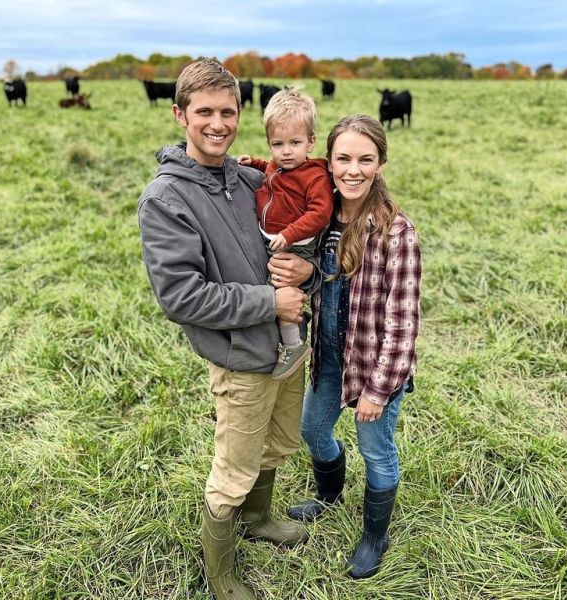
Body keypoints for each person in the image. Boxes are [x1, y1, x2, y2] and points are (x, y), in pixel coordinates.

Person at [137, 59, 321, 600]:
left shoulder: (250, 178)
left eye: (228, 111)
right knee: (233, 467)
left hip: (287, 348)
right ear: (179, 115)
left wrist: (307, 270)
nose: (218, 123)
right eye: (205, 112)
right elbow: (181, 296)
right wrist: (271, 302)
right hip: (241, 355)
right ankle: (221, 573)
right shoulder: (166, 199)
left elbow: (308, 229)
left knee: (279, 442)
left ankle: (259, 519)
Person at [288, 114, 422, 579]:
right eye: (343, 158)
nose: (353, 169)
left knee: (377, 450)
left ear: (380, 163)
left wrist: (378, 390)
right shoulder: (321, 222)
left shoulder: (395, 232)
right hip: (328, 360)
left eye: (365, 159)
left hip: (372, 367)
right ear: (328, 161)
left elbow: (403, 323)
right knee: (312, 430)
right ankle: (329, 495)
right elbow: (317, 287)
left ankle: (374, 534)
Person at [237, 88, 333, 380]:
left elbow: (320, 213)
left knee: (281, 287)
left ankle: (293, 345)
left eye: (295, 143)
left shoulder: (314, 176)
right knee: (269, 286)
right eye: (278, 144)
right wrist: (252, 162)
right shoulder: (279, 165)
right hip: (276, 239)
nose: (286, 151)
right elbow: (269, 168)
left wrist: (290, 235)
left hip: (297, 245)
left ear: (310, 143)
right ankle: (282, 334)